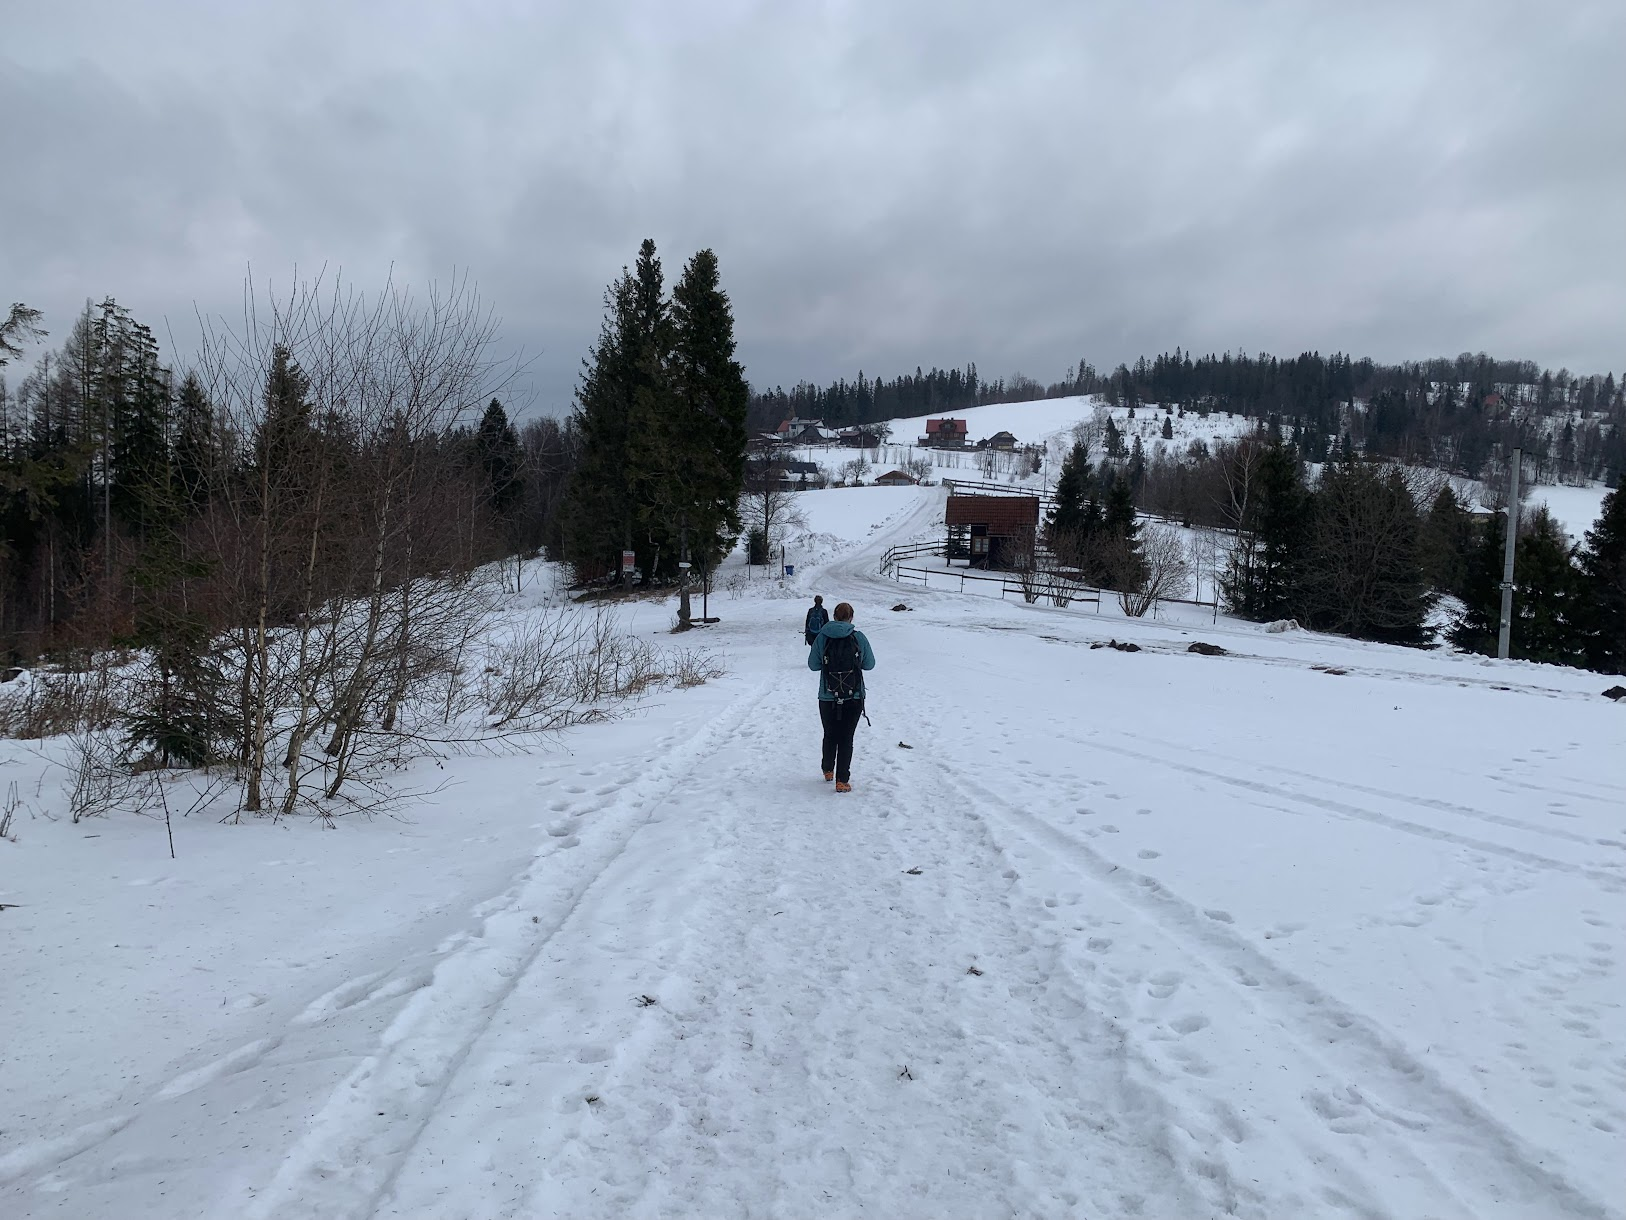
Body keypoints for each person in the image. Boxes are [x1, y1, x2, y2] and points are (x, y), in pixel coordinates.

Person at [807, 601, 876, 793]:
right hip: (853, 696)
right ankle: (842, 780)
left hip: (827, 696)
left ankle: (828, 769)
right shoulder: (859, 637)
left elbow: (813, 665)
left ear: (834, 617)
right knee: (846, 737)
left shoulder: (822, 637)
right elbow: (869, 664)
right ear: (851, 618)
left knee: (830, 734)